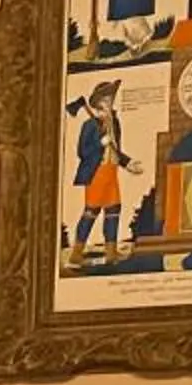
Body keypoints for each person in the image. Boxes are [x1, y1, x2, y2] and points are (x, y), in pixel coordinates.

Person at [67, 80, 135, 265]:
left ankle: (111, 253)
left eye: (111, 97)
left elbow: (116, 150)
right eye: (106, 98)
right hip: (96, 173)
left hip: (112, 172)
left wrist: (127, 163)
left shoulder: (115, 123)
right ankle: (77, 253)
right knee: (91, 211)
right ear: (98, 102)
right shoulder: (90, 125)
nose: (110, 101)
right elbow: (82, 152)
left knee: (114, 210)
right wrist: (99, 143)